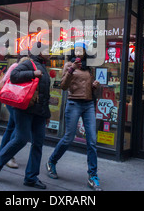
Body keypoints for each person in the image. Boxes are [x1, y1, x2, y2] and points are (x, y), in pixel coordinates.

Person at [0, 42, 51, 189]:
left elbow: (44, 94)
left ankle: (31, 177)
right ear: (40, 52)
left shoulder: (44, 68)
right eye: (48, 51)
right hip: (24, 109)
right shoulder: (30, 64)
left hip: (39, 113)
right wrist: (32, 74)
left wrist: (47, 114)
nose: (50, 53)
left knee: (38, 143)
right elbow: (14, 75)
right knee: (21, 139)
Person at [46, 42, 102, 191]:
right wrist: (71, 70)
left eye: (81, 51)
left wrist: (94, 86)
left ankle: (93, 176)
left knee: (92, 141)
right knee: (68, 138)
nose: (78, 53)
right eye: (76, 51)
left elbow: (89, 88)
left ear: (85, 52)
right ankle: (52, 161)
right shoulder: (68, 65)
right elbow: (63, 86)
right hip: (74, 104)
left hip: (88, 104)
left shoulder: (88, 67)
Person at [0, 56, 30, 169]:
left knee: (11, 127)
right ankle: (8, 155)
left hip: (16, 100)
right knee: (16, 127)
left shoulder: (26, 66)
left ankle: (2, 154)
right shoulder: (16, 66)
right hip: (13, 100)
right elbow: (4, 82)